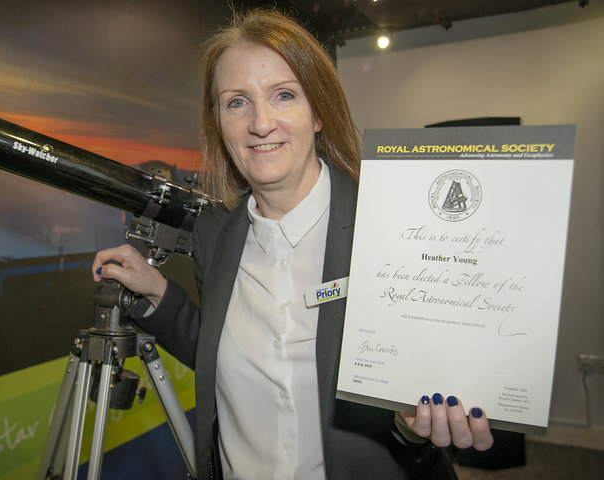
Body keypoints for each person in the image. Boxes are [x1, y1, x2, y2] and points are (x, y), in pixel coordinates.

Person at [92, 8, 493, 479]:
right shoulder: (215, 232)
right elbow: (224, 355)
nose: (261, 124)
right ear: (217, 120)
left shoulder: (392, 225)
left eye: (283, 95)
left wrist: (415, 425)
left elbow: (417, 397)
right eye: (236, 102)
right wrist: (159, 294)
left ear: (318, 111)